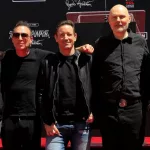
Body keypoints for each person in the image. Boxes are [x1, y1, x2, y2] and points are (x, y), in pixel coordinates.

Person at [1, 20, 94, 150]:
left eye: (24, 35)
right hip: (13, 120)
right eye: (16, 35)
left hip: (35, 120)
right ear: (12, 38)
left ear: (31, 39)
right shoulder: (5, 58)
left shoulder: (42, 57)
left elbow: (65, 52)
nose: (20, 38)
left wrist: (80, 49)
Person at [91, 4, 150, 150]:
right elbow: (94, 76)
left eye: (122, 17)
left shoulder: (140, 42)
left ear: (129, 19)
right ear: (109, 21)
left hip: (135, 110)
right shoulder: (101, 44)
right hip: (109, 111)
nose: (119, 20)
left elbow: (147, 73)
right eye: (114, 17)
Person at [36, 20, 94, 150]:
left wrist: (92, 110)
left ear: (75, 36)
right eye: (62, 35)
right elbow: (40, 94)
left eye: (69, 34)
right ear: (56, 38)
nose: (66, 38)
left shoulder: (86, 61)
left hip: (82, 124)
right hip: (56, 126)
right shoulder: (47, 63)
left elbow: (96, 88)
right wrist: (47, 122)